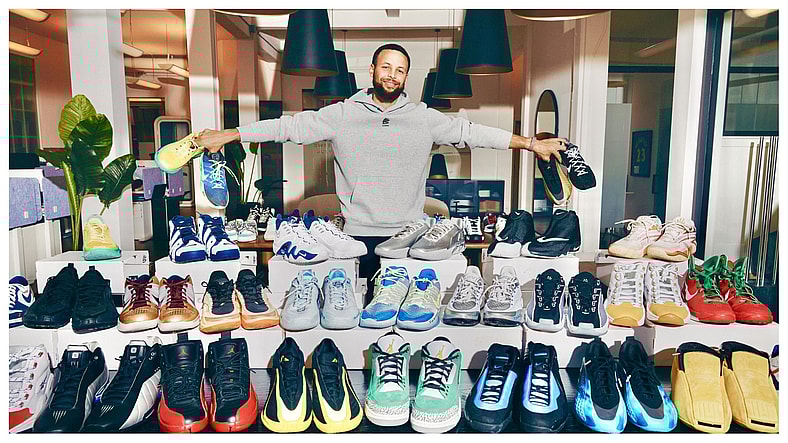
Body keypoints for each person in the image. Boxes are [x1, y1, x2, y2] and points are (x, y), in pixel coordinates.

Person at [194, 43, 566, 286]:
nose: (392, 74)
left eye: (400, 70)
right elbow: (286, 128)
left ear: (406, 77)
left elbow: (473, 133)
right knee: (357, 319)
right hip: (355, 237)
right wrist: (231, 134)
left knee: (407, 318)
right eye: (386, 67)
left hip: (409, 238)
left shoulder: (423, 117)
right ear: (372, 70)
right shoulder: (341, 114)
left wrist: (531, 144)